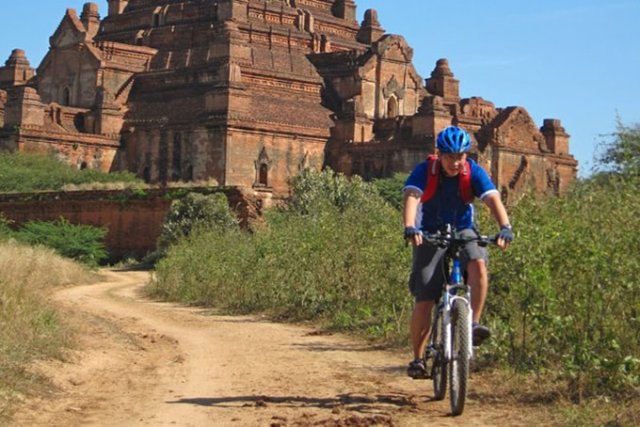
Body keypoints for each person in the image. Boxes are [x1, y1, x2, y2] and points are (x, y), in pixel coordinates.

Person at [402, 126, 514, 379]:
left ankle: (472, 324)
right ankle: (418, 359)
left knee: (478, 262)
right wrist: (410, 227)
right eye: (450, 156)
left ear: (466, 156)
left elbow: (492, 198)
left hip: (464, 229)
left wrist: (505, 227)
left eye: (460, 156)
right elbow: (412, 196)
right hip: (430, 230)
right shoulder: (425, 171)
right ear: (439, 155)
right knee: (425, 297)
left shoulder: (472, 171)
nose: (455, 162)